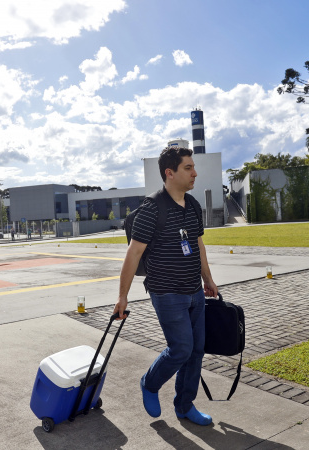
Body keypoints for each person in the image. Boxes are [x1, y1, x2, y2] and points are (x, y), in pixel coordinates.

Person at [113, 147, 218, 426]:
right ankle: (149, 383)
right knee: (181, 349)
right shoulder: (152, 209)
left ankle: (184, 406)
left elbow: (198, 245)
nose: (195, 172)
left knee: (196, 350)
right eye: (188, 168)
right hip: (167, 292)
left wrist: (207, 280)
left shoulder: (193, 205)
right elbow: (133, 253)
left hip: (194, 291)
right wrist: (122, 296)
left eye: (194, 167)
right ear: (169, 173)